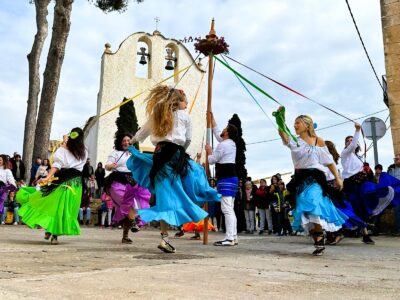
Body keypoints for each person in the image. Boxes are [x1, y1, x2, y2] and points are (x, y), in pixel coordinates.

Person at [127, 85, 220, 253]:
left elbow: (141, 133)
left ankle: (163, 236)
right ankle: (205, 194)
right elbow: (188, 139)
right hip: (175, 155)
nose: (187, 104)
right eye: (186, 101)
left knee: (164, 197)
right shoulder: (185, 116)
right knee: (195, 176)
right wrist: (181, 151)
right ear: (179, 101)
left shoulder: (157, 114)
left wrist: (131, 141)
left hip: (159, 155)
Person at [276, 107, 347, 256]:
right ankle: (318, 237)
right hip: (300, 179)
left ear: (307, 125)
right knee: (305, 209)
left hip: (316, 178)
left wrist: (338, 178)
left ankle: (320, 237)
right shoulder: (294, 140)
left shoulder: (318, 141)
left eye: (298, 123)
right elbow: (283, 133)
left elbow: (329, 162)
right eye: (294, 123)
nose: (295, 126)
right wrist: (280, 119)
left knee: (313, 202)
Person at [16, 128, 87, 244]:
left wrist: (64, 143)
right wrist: (48, 177)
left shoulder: (83, 151)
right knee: (56, 206)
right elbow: (57, 165)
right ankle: (52, 231)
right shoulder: (64, 149)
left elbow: (70, 159)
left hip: (75, 183)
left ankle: (53, 231)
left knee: (65, 209)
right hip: (65, 181)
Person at [342, 125, 400, 242]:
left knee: (370, 197)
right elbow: (353, 146)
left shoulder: (358, 157)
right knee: (355, 207)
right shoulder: (345, 154)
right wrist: (358, 130)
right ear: (346, 144)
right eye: (348, 141)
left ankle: (365, 234)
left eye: (351, 140)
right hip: (351, 185)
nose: (350, 142)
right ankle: (355, 232)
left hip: (361, 183)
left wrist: (366, 170)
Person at [104, 133, 151, 244]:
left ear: (132, 142)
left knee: (130, 207)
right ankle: (134, 222)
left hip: (132, 182)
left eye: (128, 140)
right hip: (117, 181)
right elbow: (107, 166)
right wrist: (111, 166)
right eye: (124, 140)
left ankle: (125, 236)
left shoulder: (135, 154)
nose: (126, 142)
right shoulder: (116, 153)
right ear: (121, 142)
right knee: (127, 203)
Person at [206, 114, 239, 246]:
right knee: (230, 208)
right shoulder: (230, 143)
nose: (222, 130)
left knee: (226, 209)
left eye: (225, 128)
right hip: (231, 178)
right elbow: (218, 133)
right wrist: (213, 120)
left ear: (227, 133)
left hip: (225, 178)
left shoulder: (223, 145)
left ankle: (230, 238)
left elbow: (212, 160)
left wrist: (209, 151)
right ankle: (233, 236)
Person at [0, 155, 17, 223]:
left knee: (1, 205)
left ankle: (2, 220)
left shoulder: (7, 171)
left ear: (3, 161)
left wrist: (13, 188)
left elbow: (11, 180)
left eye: (0, 160)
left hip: (2, 189)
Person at [388, 153, 400, 235]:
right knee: (397, 210)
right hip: (395, 193)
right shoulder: (391, 168)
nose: (395, 160)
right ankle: (397, 229)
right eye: (395, 158)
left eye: (397, 159)